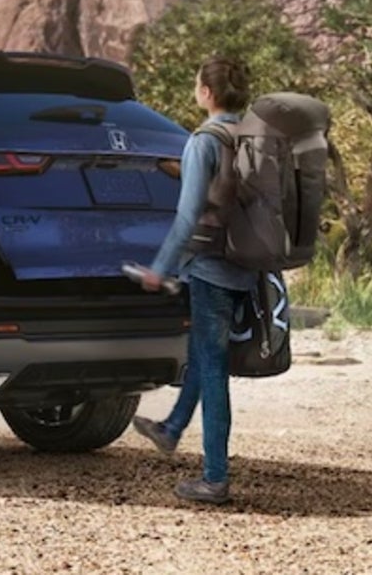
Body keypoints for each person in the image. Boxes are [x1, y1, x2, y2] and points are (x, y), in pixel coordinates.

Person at [127, 55, 259, 505]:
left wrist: (159, 269)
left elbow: (186, 218)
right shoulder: (254, 137)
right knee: (205, 354)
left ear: (206, 93)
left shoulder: (204, 141)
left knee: (214, 367)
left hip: (209, 267)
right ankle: (171, 428)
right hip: (246, 265)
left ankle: (215, 479)